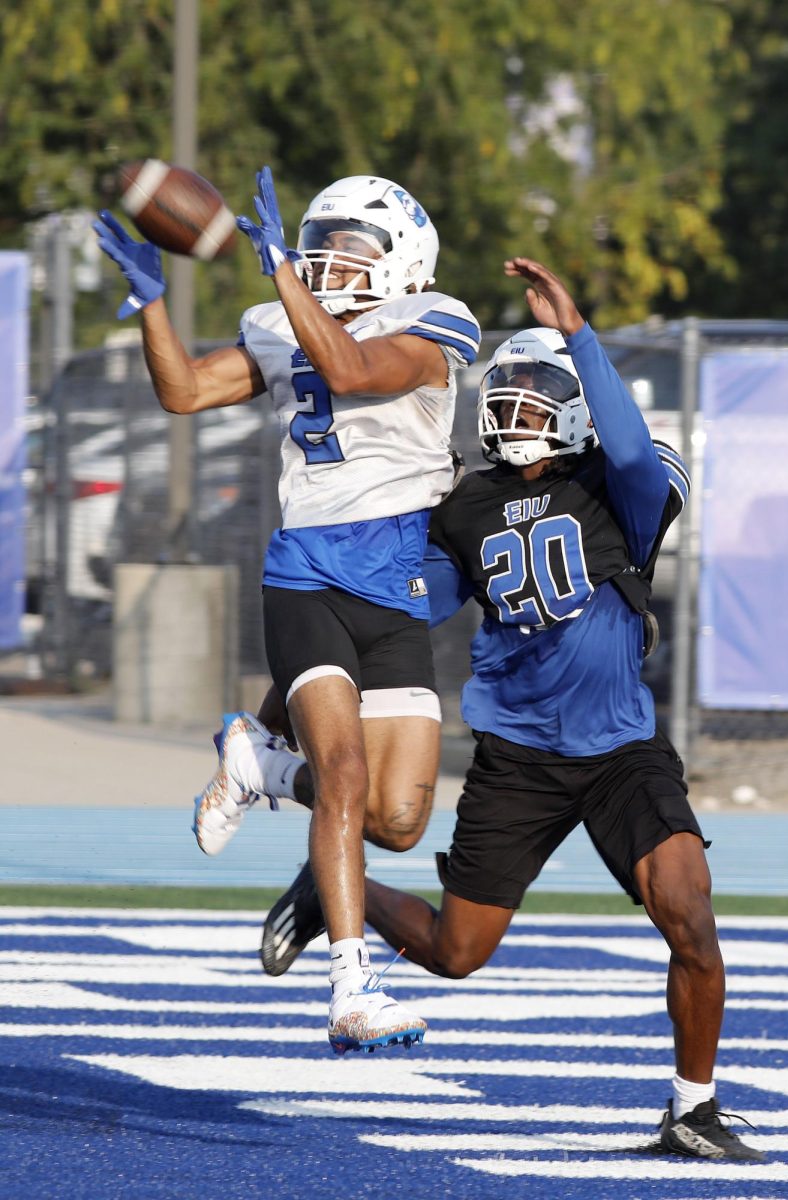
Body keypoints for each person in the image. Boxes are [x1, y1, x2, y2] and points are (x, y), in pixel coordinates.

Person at [261, 256, 765, 1160]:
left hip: (618, 751)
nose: (513, 409)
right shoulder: (468, 506)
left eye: (537, 394)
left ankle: (691, 1108)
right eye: (505, 392)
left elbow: (627, 445)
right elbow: (402, 602)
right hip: (517, 758)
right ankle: (333, 887)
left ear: (574, 401)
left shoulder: (623, 488)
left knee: (688, 912)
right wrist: (303, 652)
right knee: (457, 954)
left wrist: (577, 334)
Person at [93, 168, 480, 1056]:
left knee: (398, 817)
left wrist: (283, 277)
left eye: (353, 244)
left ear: (405, 260)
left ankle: (261, 766)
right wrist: (154, 304)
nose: (330, 258)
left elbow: (350, 367)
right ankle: (350, 989)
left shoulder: (431, 322)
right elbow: (184, 392)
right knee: (342, 774)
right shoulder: (281, 322)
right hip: (306, 571)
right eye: (322, 241)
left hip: (394, 584)